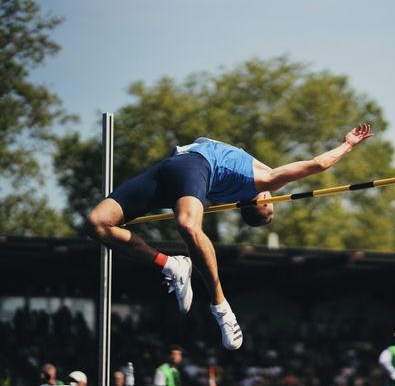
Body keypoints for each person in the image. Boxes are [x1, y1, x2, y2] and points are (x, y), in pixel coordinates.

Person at [85, 124, 373, 350]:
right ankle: (170, 264)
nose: (273, 197)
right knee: (96, 224)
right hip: (175, 165)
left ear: (260, 202)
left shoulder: (264, 180)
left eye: (271, 203)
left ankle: (221, 307)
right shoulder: (254, 173)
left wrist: (347, 145)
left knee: (185, 225)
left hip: (186, 167)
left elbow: (318, 164)